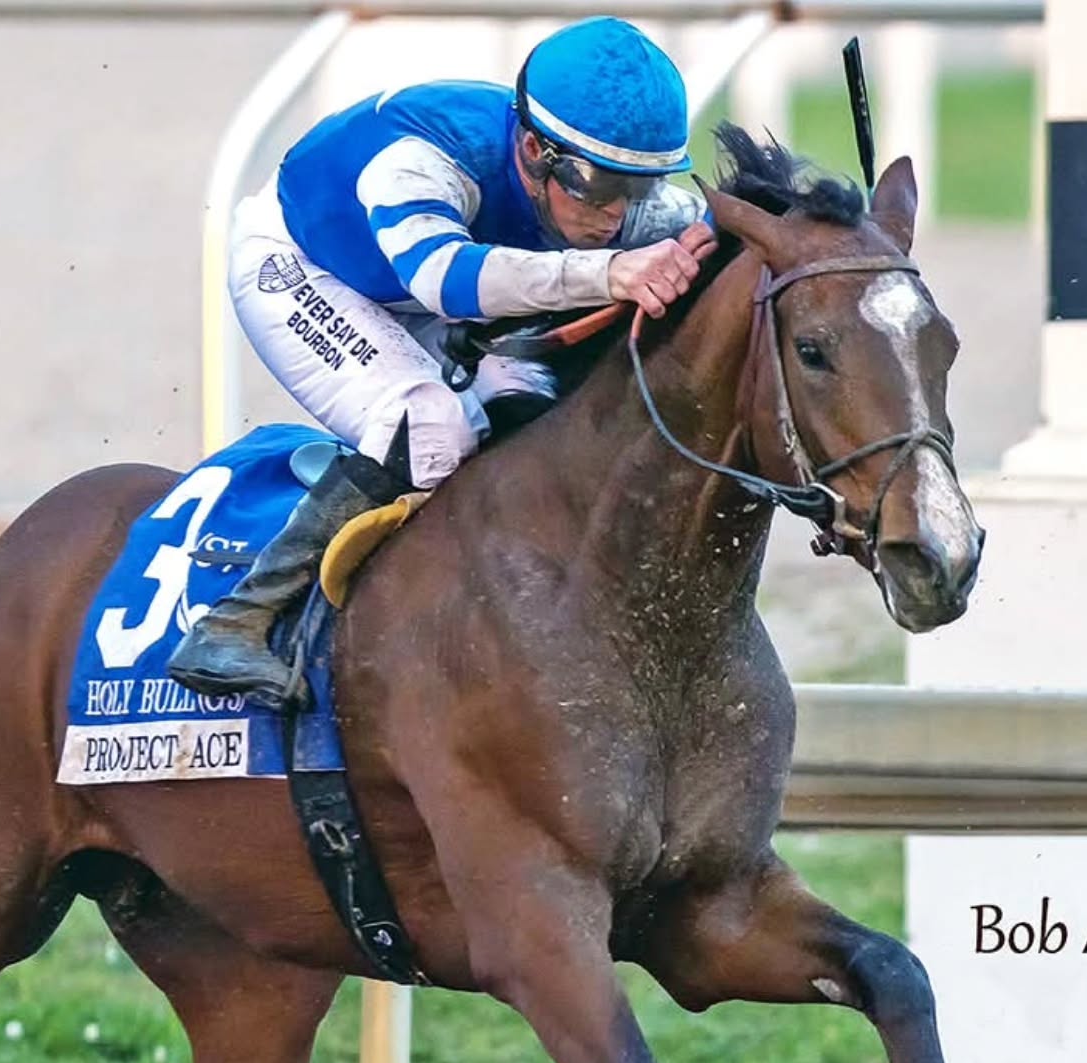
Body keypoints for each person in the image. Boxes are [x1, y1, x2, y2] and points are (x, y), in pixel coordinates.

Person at [168, 15, 718, 709]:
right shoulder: (425, 159)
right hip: (308, 268)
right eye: (596, 184)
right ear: (534, 149)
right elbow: (446, 282)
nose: (616, 214)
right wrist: (611, 273)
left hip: (428, 290)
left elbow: (717, 223)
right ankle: (237, 620)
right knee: (428, 424)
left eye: (638, 188)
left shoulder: (600, 185)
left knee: (532, 406)